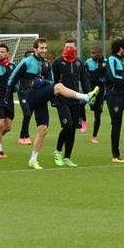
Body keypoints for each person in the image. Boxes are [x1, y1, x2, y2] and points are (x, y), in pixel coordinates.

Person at [7, 37, 99, 170]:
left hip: (41, 98)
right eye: (41, 48)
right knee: (59, 86)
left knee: (43, 129)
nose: (44, 50)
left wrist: (45, 85)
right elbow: (12, 79)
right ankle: (85, 96)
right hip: (30, 96)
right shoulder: (26, 61)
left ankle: (33, 159)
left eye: (45, 48)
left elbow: (49, 81)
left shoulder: (46, 64)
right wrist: (9, 96)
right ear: (35, 49)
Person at [51, 38, 92, 167]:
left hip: (75, 101)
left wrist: (89, 94)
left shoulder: (80, 62)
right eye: (67, 47)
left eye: (71, 47)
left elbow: (84, 80)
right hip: (61, 100)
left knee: (73, 129)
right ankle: (57, 151)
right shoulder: (57, 62)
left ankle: (67, 157)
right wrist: (53, 99)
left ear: (75, 49)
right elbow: (53, 81)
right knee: (67, 126)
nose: (69, 49)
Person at [84, 46, 108, 144]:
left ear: (100, 53)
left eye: (95, 53)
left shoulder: (105, 62)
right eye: (92, 53)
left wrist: (104, 80)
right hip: (89, 90)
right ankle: (82, 119)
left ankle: (94, 136)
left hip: (100, 92)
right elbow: (84, 76)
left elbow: (108, 76)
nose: (93, 55)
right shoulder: (87, 62)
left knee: (97, 115)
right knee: (79, 105)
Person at [16, 49, 35, 145]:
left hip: (31, 93)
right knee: (27, 114)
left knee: (28, 115)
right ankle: (24, 136)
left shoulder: (35, 66)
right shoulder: (22, 66)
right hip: (23, 93)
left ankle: (23, 136)